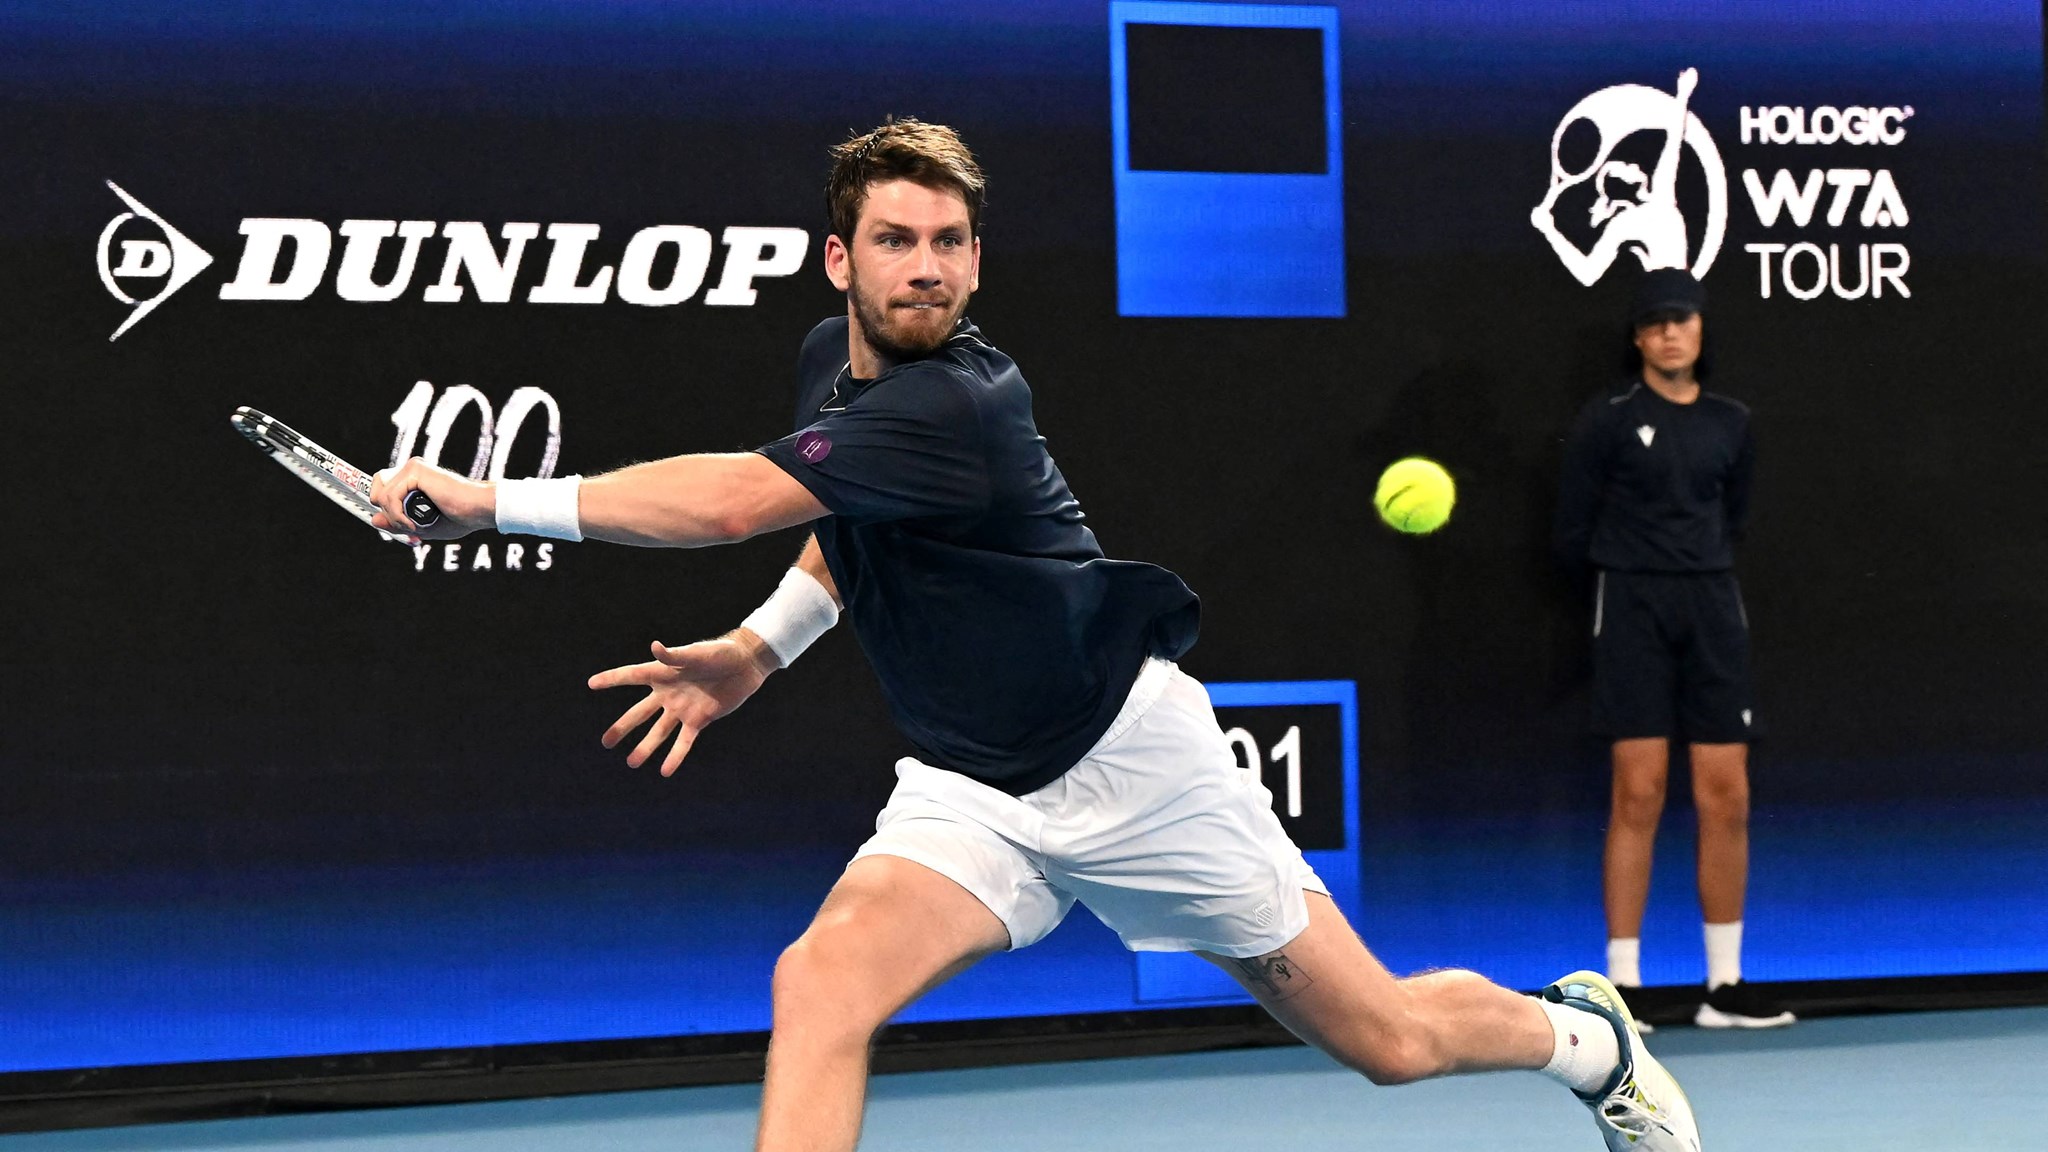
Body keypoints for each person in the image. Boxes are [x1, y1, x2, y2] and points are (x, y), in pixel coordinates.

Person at [372, 118, 1701, 1152]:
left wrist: (491, 499)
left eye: (950, 242)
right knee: (819, 985)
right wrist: (756, 650)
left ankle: (1585, 1042)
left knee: (1392, 1041)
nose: (928, 266)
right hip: (972, 787)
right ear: (841, 260)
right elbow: (846, 533)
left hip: (1133, 768)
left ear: (976, 260)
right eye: (897, 239)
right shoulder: (829, 374)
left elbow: (731, 501)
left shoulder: (961, 404)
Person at [1554, 266, 1794, 1030]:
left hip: (1714, 607)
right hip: (1631, 607)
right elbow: (1571, 528)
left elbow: (1740, 517)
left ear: (1699, 330)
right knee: (1640, 791)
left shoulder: (1733, 421)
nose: (1669, 332)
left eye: (1682, 319)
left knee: (1728, 793)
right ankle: (1621, 989)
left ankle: (1724, 986)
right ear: (1638, 336)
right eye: (1655, 321)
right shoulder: (1608, 419)